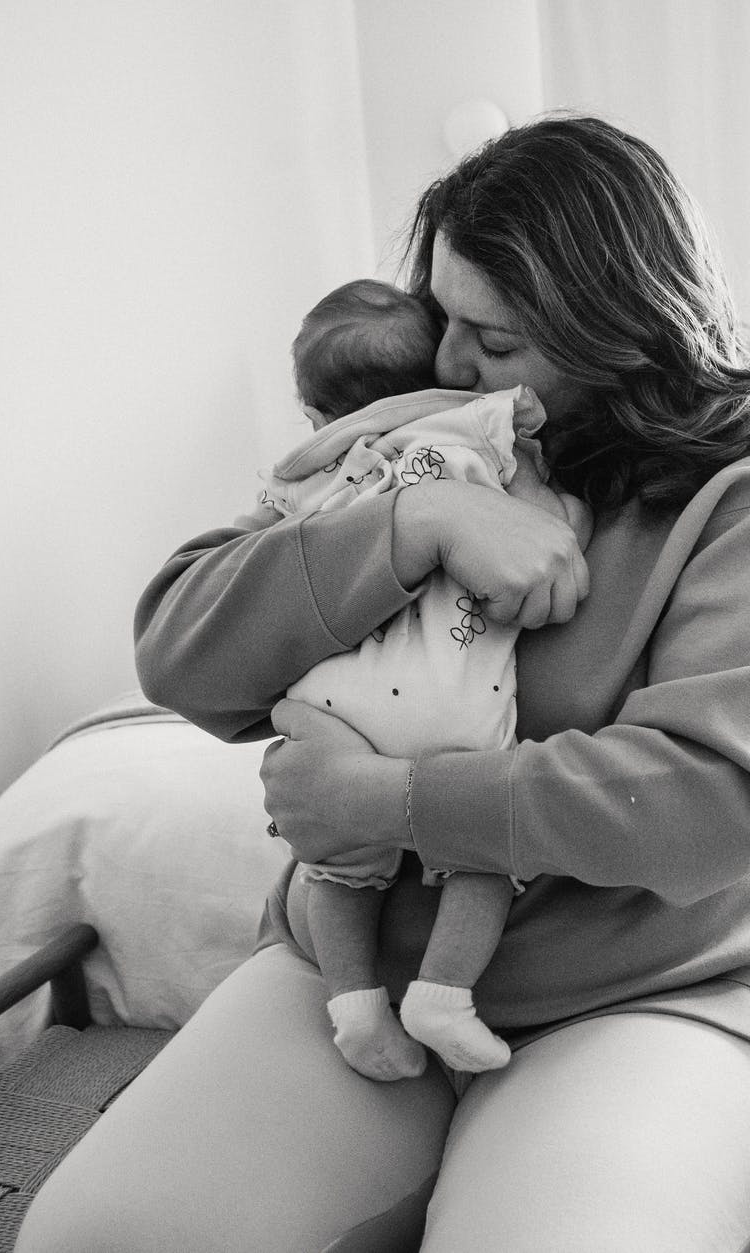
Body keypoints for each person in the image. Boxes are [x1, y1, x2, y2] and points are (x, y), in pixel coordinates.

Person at [17, 112, 750, 1252]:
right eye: (445, 321)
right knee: (94, 1239)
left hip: (653, 982)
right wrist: (413, 522)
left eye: (495, 339)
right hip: (361, 967)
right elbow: (180, 652)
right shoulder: (417, 446)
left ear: (619, 333)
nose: (450, 363)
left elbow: (708, 804)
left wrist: (394, 807)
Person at [265, 278, 593, 1081]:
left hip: (339, 695)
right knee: (482, 840)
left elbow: (268, 565)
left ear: (313, 411)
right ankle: (444, 995)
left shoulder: (305, 466)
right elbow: (551, 533)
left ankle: (355, 1005)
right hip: (450, 689)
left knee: (336, 862)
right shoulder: (475, 424)